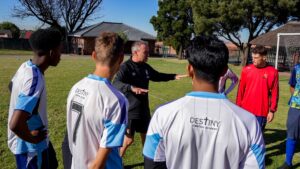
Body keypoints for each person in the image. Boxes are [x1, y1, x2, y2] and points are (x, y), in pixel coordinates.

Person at [142, 36, 265, 169]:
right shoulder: (248, 122)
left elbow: (152, 164)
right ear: (224, 71)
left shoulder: (163, 115)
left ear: (189, 69)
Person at [113, 41, 186, 157]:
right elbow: (115, 83)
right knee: (128, 140)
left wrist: (173, 76)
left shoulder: (145, 67)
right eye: (145, 52)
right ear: (135, 52)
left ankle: (149, 163)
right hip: (131, 111)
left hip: (144, 110)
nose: (148, 54)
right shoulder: (125, 67)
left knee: (147, 139)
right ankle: (117, 163)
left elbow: (157, 76)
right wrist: (131, 88)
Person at [66, 32, 128, 169]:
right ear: (121, 58)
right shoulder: (117, 101)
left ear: (93, 55)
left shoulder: (76, 87)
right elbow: (97, 166)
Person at [7, 28, 62, 169]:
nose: (60, 55)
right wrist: (32, 137)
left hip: (39, 140)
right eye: (59, 50)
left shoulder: (25, 66)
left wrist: (31, 111)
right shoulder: (34, 79)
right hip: (29, 148)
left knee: (53, 163)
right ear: (51, 53)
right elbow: (15, 124)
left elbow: (11, 86)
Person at [236, 45, 279, 130]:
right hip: (245, 110)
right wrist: (237, 108)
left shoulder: (273, 72)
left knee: (257, 139)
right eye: (252, 57)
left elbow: (275, 93)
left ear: (264, 57)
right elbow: (240, 91)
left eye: (256, 57)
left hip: (262, 111)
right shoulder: (246, 70)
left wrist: (272, 111)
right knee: (244, 137)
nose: (253, 59)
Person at [278, 63, 300, 169]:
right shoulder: (297, 68)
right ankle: (288, 162)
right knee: (292, 132)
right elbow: (292, 85)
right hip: (296, 105)